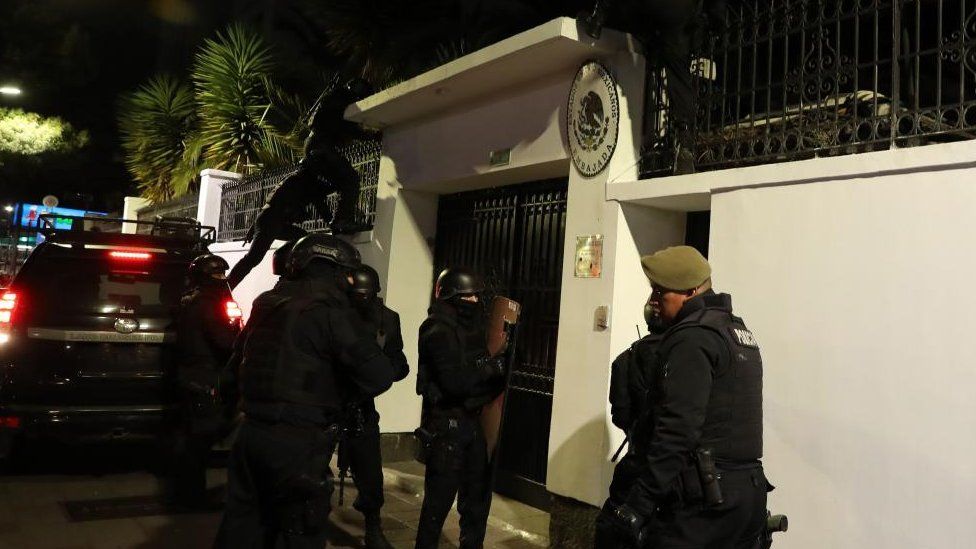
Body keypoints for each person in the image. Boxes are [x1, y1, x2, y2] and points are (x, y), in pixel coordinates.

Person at [214, 233, 396, 549]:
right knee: (300, 531)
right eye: (349, 274)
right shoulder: (331, 313)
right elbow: (379, 375)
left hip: (251, 435)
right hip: (298, 442)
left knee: (242, 526)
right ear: (338, 272)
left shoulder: (267, 304)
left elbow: (231, 373)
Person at [606, 245, 769, 548]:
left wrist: (637, 505)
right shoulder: (736, 331)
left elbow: (677, 431)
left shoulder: (692, 338)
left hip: (703, 506)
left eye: (661, 293)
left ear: (691, 291)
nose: (654, 301)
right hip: (745, 496)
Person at [227, 78, 374, 289]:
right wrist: (336, 223)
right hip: (273, 219)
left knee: (304, 242)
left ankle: (288, 279)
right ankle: (227, 287)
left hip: (276, 219)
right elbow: (288, 202)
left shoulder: (307, 182)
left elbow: (318, 200)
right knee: (254, 259)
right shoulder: (302, 179)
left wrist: (333, 223)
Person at [414, 267, 507, 549]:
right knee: (437, 505)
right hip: (446, 427)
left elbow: (478, 376)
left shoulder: (471, 331)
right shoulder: (436, 330)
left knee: (476, 498)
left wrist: (500, 367)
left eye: (477, 298)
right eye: (468, 298)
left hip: (470, 423)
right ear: (452, 297)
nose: (475, 304)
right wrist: (489, 369)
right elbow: (456, 382)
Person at [579, 0, 722, 175]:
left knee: (648, 28)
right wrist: (717, 19)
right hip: (678, 13)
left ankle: (599, 15)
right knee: (678, 71)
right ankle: (684, 142)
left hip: (644, 9)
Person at [337, 263, 410, 549]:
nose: (360, 300)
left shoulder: (387, 320)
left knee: (370, 471)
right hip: (332, 399)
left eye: (365, 295)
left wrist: (384, 373)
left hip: (362, 404)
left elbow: (398, 360)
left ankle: (372, 525)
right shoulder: (336, 315)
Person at [593, 299, 666, 548]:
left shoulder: (626, 358)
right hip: (672, 469)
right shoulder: (681, 355)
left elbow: (620, 415)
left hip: (635, 461)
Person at [171, 254, 241, 508]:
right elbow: (224, 342)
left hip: (192, 376)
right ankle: (191, 497)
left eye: (224, 274)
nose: (223, 280)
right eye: (218, 275)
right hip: (203, 378)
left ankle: (188, 493)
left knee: (194, 438)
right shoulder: (209, 303)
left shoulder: (191, 300)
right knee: (199, 441)